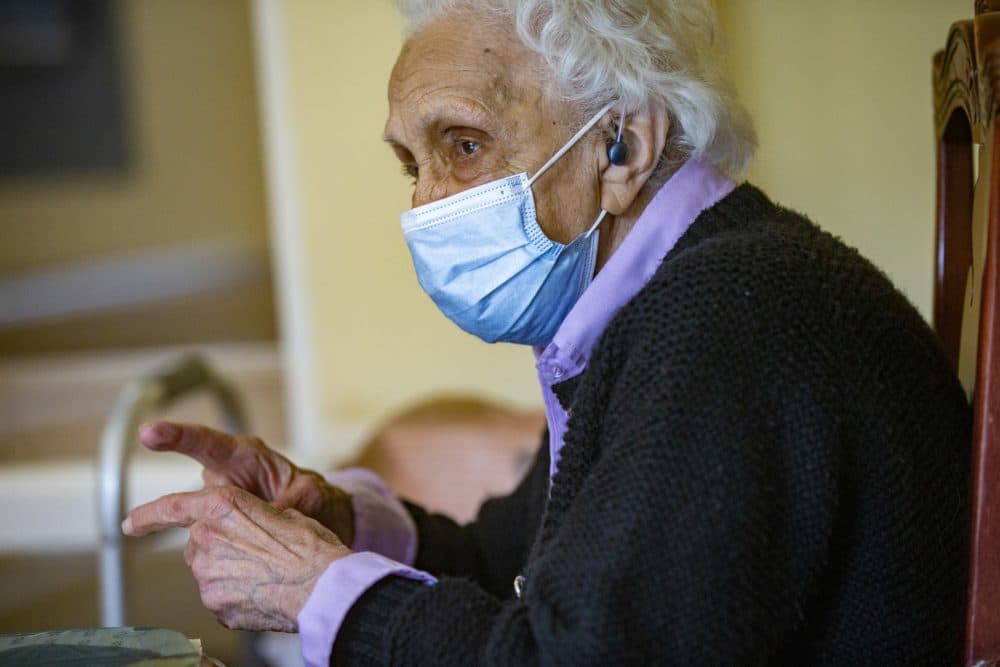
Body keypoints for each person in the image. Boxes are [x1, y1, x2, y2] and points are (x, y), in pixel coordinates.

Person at [123, 1, 972, 664]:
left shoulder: (731, 314)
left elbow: (587, 654)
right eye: (411, 163)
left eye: (463, 144)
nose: (424, 204)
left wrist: (322, 595)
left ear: (625, 146)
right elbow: (519, 558)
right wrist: (338, 524)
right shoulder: (672, 297)